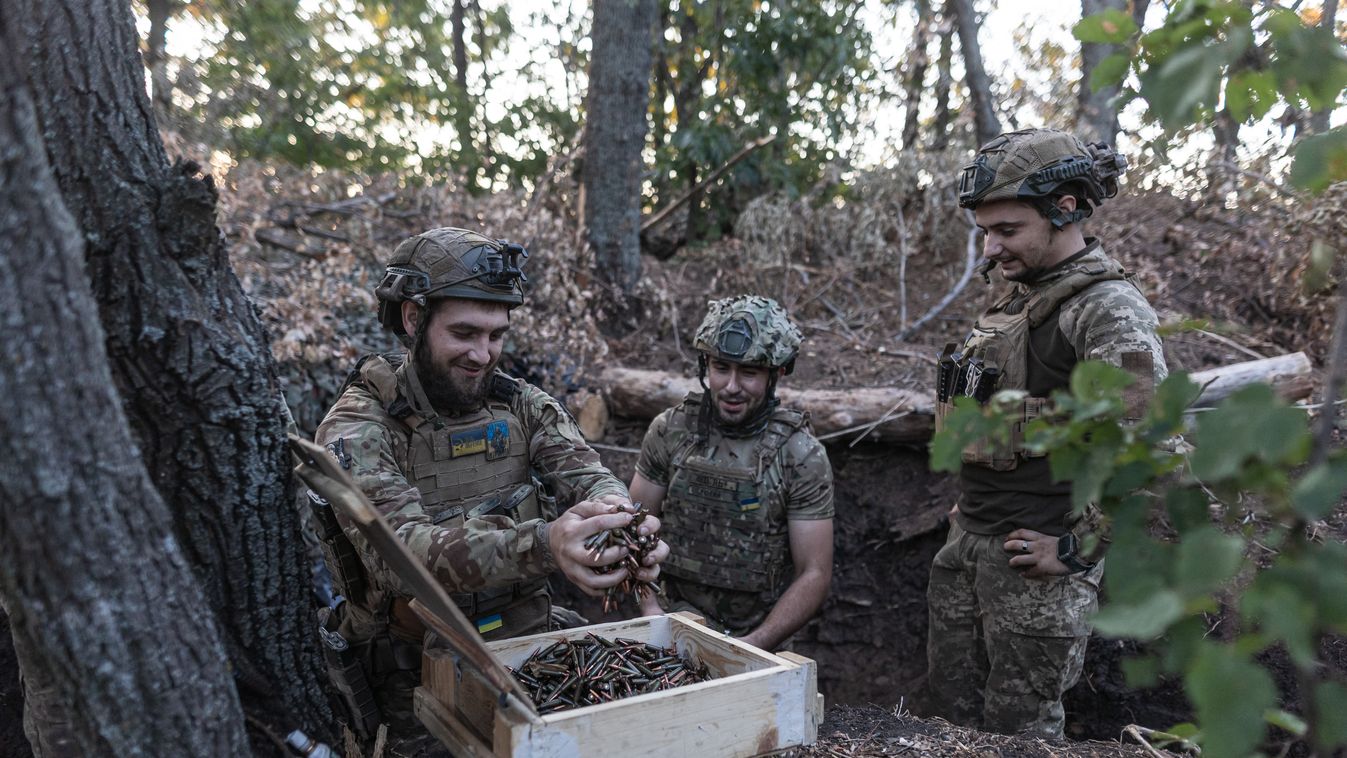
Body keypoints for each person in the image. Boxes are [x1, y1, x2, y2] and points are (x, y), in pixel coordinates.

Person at [312, 227, 667, 742]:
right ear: (413, 319)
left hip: (528, 652)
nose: (483, 354)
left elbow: (588, 476)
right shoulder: (357, 429)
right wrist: (544, 543)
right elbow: (402, 557)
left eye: (497, 335)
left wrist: (624, 526)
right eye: (464, 333)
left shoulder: (521, 404)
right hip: (409, 683)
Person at [923, 128, 1167, 740]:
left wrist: (1077, 550)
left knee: (1020, 739)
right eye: (984, 230)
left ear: (1064, 210)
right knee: (944, 729)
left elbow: (1151, 451)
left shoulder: (1105, 309)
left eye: (1006, 230)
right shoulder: (1021, 292)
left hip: (1034, 575)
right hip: (969, 548)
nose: (989, 248)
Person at [628, 295, 834, 651]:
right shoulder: (670, 431)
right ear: (705, 365)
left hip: (761, 634)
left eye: (749, 373)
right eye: (721, 368)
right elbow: (631, 532)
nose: (732, 386)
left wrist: (752, 646)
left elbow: (814, 573)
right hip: (671, 623)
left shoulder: (800, 455)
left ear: (777, 374)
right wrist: (651, 612)